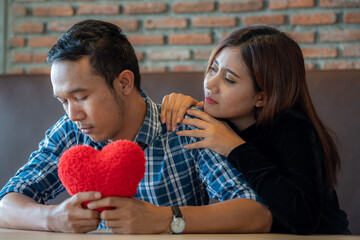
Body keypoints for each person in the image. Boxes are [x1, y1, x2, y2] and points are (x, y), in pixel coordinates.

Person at [0, 20, 272, 234]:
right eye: (63, 101)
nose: (73, 113)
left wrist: (166, 219)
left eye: (81, 97)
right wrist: (52, 218)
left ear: (124, 83)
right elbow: (5, 205)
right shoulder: (71, 131)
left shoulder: (182, 127)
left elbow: (256, 213)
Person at [161, 25, 350, 234]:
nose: (211, 84)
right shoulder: (216, 121)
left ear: (262, 97)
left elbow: (302, 219)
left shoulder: (295, 130)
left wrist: (235, 147)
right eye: (213, 69)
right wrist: (177, 106)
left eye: (229, 80)